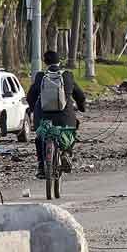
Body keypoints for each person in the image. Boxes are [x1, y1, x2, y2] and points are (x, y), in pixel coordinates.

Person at [26, 50, 86, 178]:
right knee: (71, 131)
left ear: (45, 62)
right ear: (59, 62)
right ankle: (66, 153)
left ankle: (41, 166)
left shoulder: (40, 76)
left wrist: (33, 110)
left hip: (43, 118)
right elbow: (80, 96)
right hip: (65, 118)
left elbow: (30, 96)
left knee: (39, 138)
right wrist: (81, 107)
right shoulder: (67, 76)